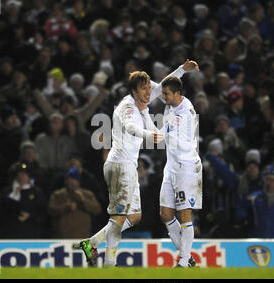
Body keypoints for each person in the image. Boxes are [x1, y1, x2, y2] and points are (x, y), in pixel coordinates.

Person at [76, 60, 198, 267]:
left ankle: (92, 243)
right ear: (134, 91)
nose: (149, 93)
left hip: (128, 167)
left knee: (133, 216)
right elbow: (131, 127)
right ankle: (109, 266)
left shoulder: (142, 103)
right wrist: (148, 134)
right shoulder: (128, 107)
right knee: (119, 216)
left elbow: (160, 88)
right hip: (119, 165)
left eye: (149, 88)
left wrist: (181, 71)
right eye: (144, 89)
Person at [156, 75, 202, 268]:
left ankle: (183, 262)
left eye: (166, 94)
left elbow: (157, 137)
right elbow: (158, 87)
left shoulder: (183, 115)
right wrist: (182, 69)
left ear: (177, 93)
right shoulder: (173, 101)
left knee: (185, 216)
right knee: (165, 214)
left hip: (186, 168)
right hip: (171, 167)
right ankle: (187, 256)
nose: (163, 97)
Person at [0, 162, 48, 239]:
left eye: (24, 174)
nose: (21, 176)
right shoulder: (7, 191)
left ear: (29, 176)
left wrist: (30, 215)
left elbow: (43, 212)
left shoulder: (36, 192)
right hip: (10, 233)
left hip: (31, 233)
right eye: (19, 174)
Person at [48, 168, 101, 239]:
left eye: (74, 179)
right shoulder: (58, 194)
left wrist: (83, 200)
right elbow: (51, 210)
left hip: (82, 236)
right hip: (62, 237)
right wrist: (66, 207)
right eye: (69, 179)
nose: (71, 182)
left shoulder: (87, 194)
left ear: (78, 181)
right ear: (66, 181)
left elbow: (97, 209)